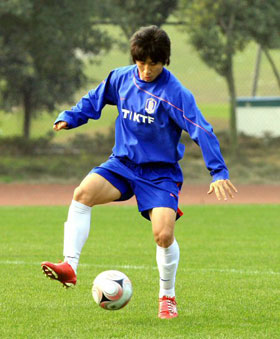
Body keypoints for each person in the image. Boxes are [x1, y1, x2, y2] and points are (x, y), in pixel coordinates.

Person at [41, 25, 237, 319]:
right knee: (82, 194)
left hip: (160, 174)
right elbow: (94, 99)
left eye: (153, 64)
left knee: (163, 235)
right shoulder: (120, 78)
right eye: (141, 63)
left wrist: (218, 171)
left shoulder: (175, 93)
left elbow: (201, 129)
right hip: (122, 164)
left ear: (165, 61)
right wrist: (71, 117)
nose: (146, 70)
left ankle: (167, 297)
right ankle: (70, 266)